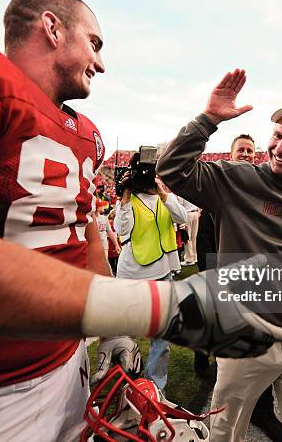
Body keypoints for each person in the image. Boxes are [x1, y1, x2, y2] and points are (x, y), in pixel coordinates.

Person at [0, 0, 282, 441]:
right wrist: (163, 309)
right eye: (95, 43)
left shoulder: (87, 136)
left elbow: (84, 237)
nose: (101, 63)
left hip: (68, 366)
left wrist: (114, 335)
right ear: (52, 27)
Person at [157, 69, 282, 442]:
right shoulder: (236, 180)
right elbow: (170, 169)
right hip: (245, 342)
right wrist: (208, 120)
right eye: (277, 135)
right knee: (226, 435)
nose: (280, 146)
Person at [192, 132, 282, 441]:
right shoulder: (216, 196)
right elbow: (204, 244)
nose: (245, 154)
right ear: (231, 156)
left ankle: (262, 410)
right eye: (240, 150)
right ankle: (225, 416)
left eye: (250, 150)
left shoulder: (264, 196)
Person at [113, 158, 187, 392]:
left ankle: (154, 387)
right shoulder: (128, 200)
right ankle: (127, 381)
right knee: (126, 335)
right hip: (132, 275)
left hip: (163, 273)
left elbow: (182, 218)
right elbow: (121, 230)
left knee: (162, 338)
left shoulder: (164, 198)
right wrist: (124, 197)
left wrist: (162, 193)